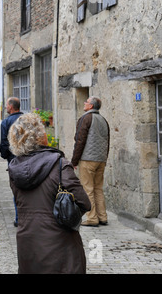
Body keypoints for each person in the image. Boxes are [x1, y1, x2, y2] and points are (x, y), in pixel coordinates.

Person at [7, 113, 91, 273]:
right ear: (40, 136)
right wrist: (65, 214)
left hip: (27, 244)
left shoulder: (14, 169)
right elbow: (84, 202)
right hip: (60, 244)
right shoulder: (59, 165)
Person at [72, 96, 110, 227]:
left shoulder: (85, 118)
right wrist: (105, 157)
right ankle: (102, 216)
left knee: (88, 189)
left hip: (88, 159)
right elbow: (107, 141)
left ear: (91, 106)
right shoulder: (103, 120)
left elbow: (80, 140)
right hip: (101, 159)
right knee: (98, 188)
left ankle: (92, 218)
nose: (84, 103)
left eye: (86, 102)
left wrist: (74, 160)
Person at [0, 97, 24, 226]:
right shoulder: (26, 119)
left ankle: (19, 218)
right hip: (29, 157)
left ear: (11, 107)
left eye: (7, 105)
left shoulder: (6, 122)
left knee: (16, 189)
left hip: (14, 159)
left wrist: (5, 155)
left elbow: (3, 143)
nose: (5, 107)